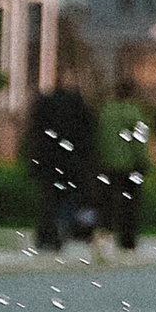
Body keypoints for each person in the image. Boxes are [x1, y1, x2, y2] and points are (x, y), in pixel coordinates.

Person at [22, 81, 98, 257]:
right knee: (69, 197)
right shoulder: (79, 111)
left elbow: (35, 136)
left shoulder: (45, 109)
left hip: (48, 162)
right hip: (72, 163)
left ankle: (47, 235)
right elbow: (87, 140)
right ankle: (67, 231)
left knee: (49, 199)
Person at [95, 88, 149, 258]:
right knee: (129, 204)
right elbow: (140, 141)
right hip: (129, 166)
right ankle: (127, 240)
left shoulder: (105, 112)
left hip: (107, 164)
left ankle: (104, 236)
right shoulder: (135, 113)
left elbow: (99, 138)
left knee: (107, 202)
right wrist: (143, 162)